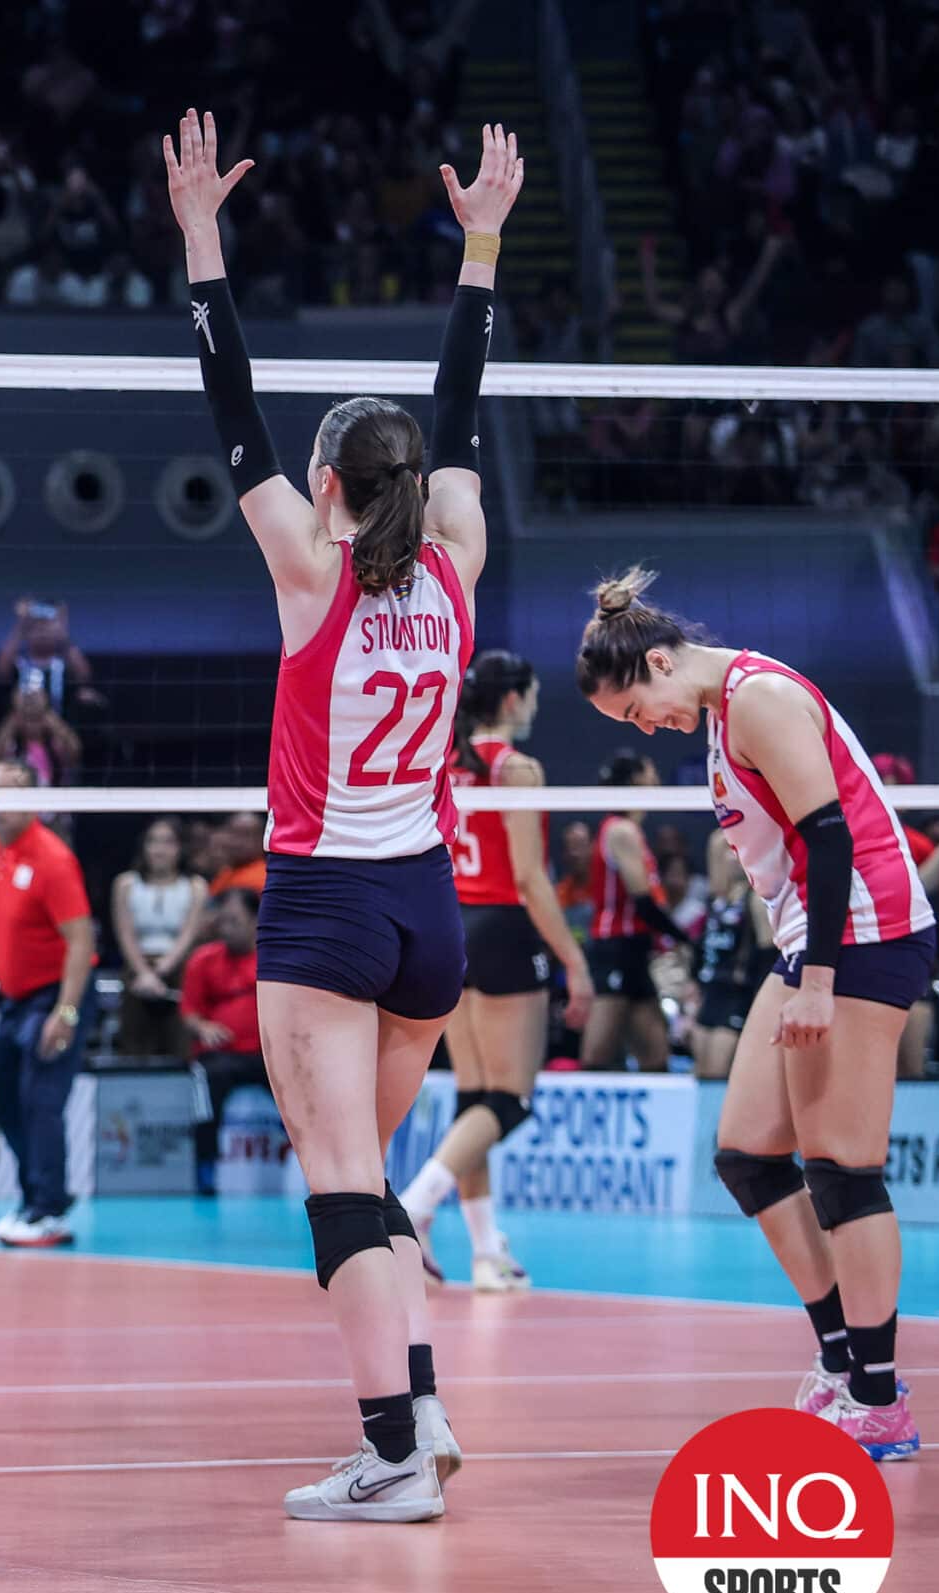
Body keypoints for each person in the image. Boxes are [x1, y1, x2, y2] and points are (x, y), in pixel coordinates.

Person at [167, 108, 517, 1520]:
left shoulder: (308, 574)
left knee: (338, 1188)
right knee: (366, 1185)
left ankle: (389, 1453)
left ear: (324, 490)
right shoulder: (460, 563)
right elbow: (466, 405)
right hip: (426, 908)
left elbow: (228, 404)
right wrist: (479, 242)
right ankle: (419, 1413)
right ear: (416, 488)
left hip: (322, 905)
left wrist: (202, 235)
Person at [579, 570, 934, 1459]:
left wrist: (816, 981)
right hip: (813, 937)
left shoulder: (758, 697)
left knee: (844, 1169)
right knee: (745, 1153)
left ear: (658, 660)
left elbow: (829, 836)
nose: (647, 729)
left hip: (861, 933)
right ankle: (842, 1353)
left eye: (636, 709)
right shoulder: (718, 711)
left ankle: (880, 1399)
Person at [401, 651, 592, 1292]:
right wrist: (574, 961)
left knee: (473, 1099)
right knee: (510, 1101)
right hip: (506, 928)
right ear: (513, 701)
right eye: (532, 694)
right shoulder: (520, 769)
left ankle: (486, 1252)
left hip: (450, 925)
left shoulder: (441, 762)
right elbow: (531, 878)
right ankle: (415, 1204)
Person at [0, 759, 96, 1247]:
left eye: (15, 788)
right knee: (4, 1098)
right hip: (14, 998)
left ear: (35, 801)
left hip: (55, 993)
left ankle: (49, 1210)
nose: (2, 795)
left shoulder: (53, 859)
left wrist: (66, 1013)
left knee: (41, 1101)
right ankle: (34, 1198)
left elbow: (81, 941)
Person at [582, 749, 679, 1068]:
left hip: (635, 948)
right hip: (616, 947)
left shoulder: (631, 830)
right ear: (637, 779)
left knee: (655, 1053)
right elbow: (643, 901)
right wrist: (680, 937)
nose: (657, 780)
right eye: (651, 772)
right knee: (597, 1052)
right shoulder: (620, 829)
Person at [182, 888, 265, 1197]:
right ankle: (205, 1168)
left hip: (267, 1055)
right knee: (204, 1081)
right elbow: (189, 1010)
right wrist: (202, 1027)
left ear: (256, 920)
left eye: (234, 920)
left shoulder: (273, 957)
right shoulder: (203, 960)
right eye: (223, 921)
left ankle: (314, 1170)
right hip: (221, 1057)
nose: (226, 928)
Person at [111, 817, 208, 1059]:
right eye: (153, 841)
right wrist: (144, 972)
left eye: (168, 842)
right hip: (137, 966)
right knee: (134, 1037)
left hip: (179, 966)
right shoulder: (125, 884)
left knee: (178, 1039)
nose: (159, 849)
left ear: (180, 847)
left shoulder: (196, 886)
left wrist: (161, 970)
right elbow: (125, 933)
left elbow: (190, 934)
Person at [691, 828, 776, 1080]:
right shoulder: (715, 901)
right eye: (725, 852)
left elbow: (767, 959)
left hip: (736, 997)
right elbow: (702, 949)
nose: (729, 857)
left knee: (718, 1074)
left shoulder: (756, 901)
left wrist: (762, 1012)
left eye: (734, 850)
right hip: (710, 994)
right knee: (702, 1073)